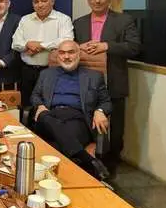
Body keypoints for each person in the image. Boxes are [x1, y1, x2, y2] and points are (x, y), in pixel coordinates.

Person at [73, 0, 141, 174]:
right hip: (86, 83)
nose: (97, 0)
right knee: (87, 123)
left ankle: (111, 166)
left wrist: (106, 46)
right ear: (88, 0)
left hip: (113, 81)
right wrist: (79, 47)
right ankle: (89, 163)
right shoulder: (78, 23)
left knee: (115, 128)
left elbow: (134, 47)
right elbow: (69, 48)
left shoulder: (124, 20)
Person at [30, 40, 111, 180]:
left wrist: (100, 111)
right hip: (50, 117)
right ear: (58, 56)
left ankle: (50, 181)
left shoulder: (94, 76)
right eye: (62, 53)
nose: (66, 56)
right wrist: (40, 106)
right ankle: (88, 161)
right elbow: (35, 95)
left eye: (71, 52)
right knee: (43, 115)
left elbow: (106, 101)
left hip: (77, 120)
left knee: (57, 143)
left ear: (79, 54)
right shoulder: (46, 74)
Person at [12, 0, 74, 109]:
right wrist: (27, 45)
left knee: (49, 106)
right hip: (27, 71)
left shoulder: (63, 19)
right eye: (36, 2)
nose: (40, 5)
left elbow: (67, 40)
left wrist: (41, 45)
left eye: (44, 1)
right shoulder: (25, 19)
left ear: (52, 1)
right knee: (27, 107)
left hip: (52, 71)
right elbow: (15, 43)